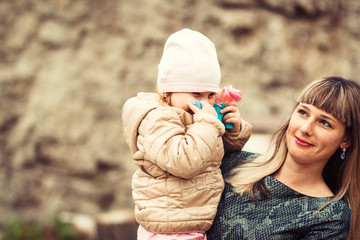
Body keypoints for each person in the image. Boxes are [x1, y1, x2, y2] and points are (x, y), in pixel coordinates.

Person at [122, 28, 253, 239]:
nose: (204, 102)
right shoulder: (158, 120)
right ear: (167, 91)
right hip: (168, 226)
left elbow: (209, 153)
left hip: (190, 222)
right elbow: (185, 161)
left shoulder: (198, 118)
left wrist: (233, 130)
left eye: (211, 95)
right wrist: (209, 124)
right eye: (196, 94)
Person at [207, 76, 360, 240]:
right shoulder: (235, 163)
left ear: (346, 140)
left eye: (325, 123)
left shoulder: (331, 216)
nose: (305, 128)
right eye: (303, 112)